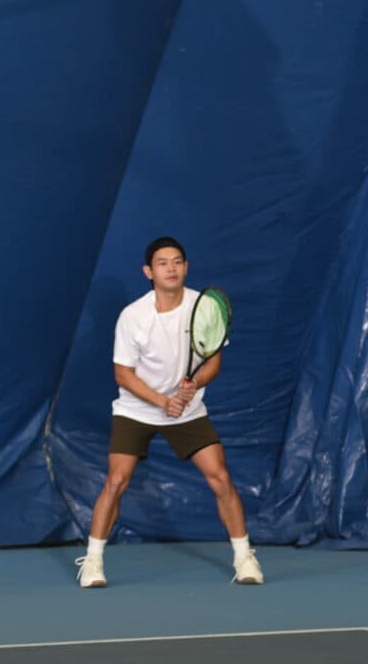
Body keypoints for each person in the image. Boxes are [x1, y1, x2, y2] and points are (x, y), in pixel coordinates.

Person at [77, 237, 263, 589]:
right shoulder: (133, 316)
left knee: (220, 477)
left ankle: (244, 558)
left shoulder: (203, 308)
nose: (171, 268)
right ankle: (93, 561)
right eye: (162, 263)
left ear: (186, 267)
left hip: (188, 410)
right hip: (136, 409)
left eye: (177, 261)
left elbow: (212, 362)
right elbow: (123, 375)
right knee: (116, 481)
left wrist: (193, 385)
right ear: (149, 272)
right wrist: (163, 402)